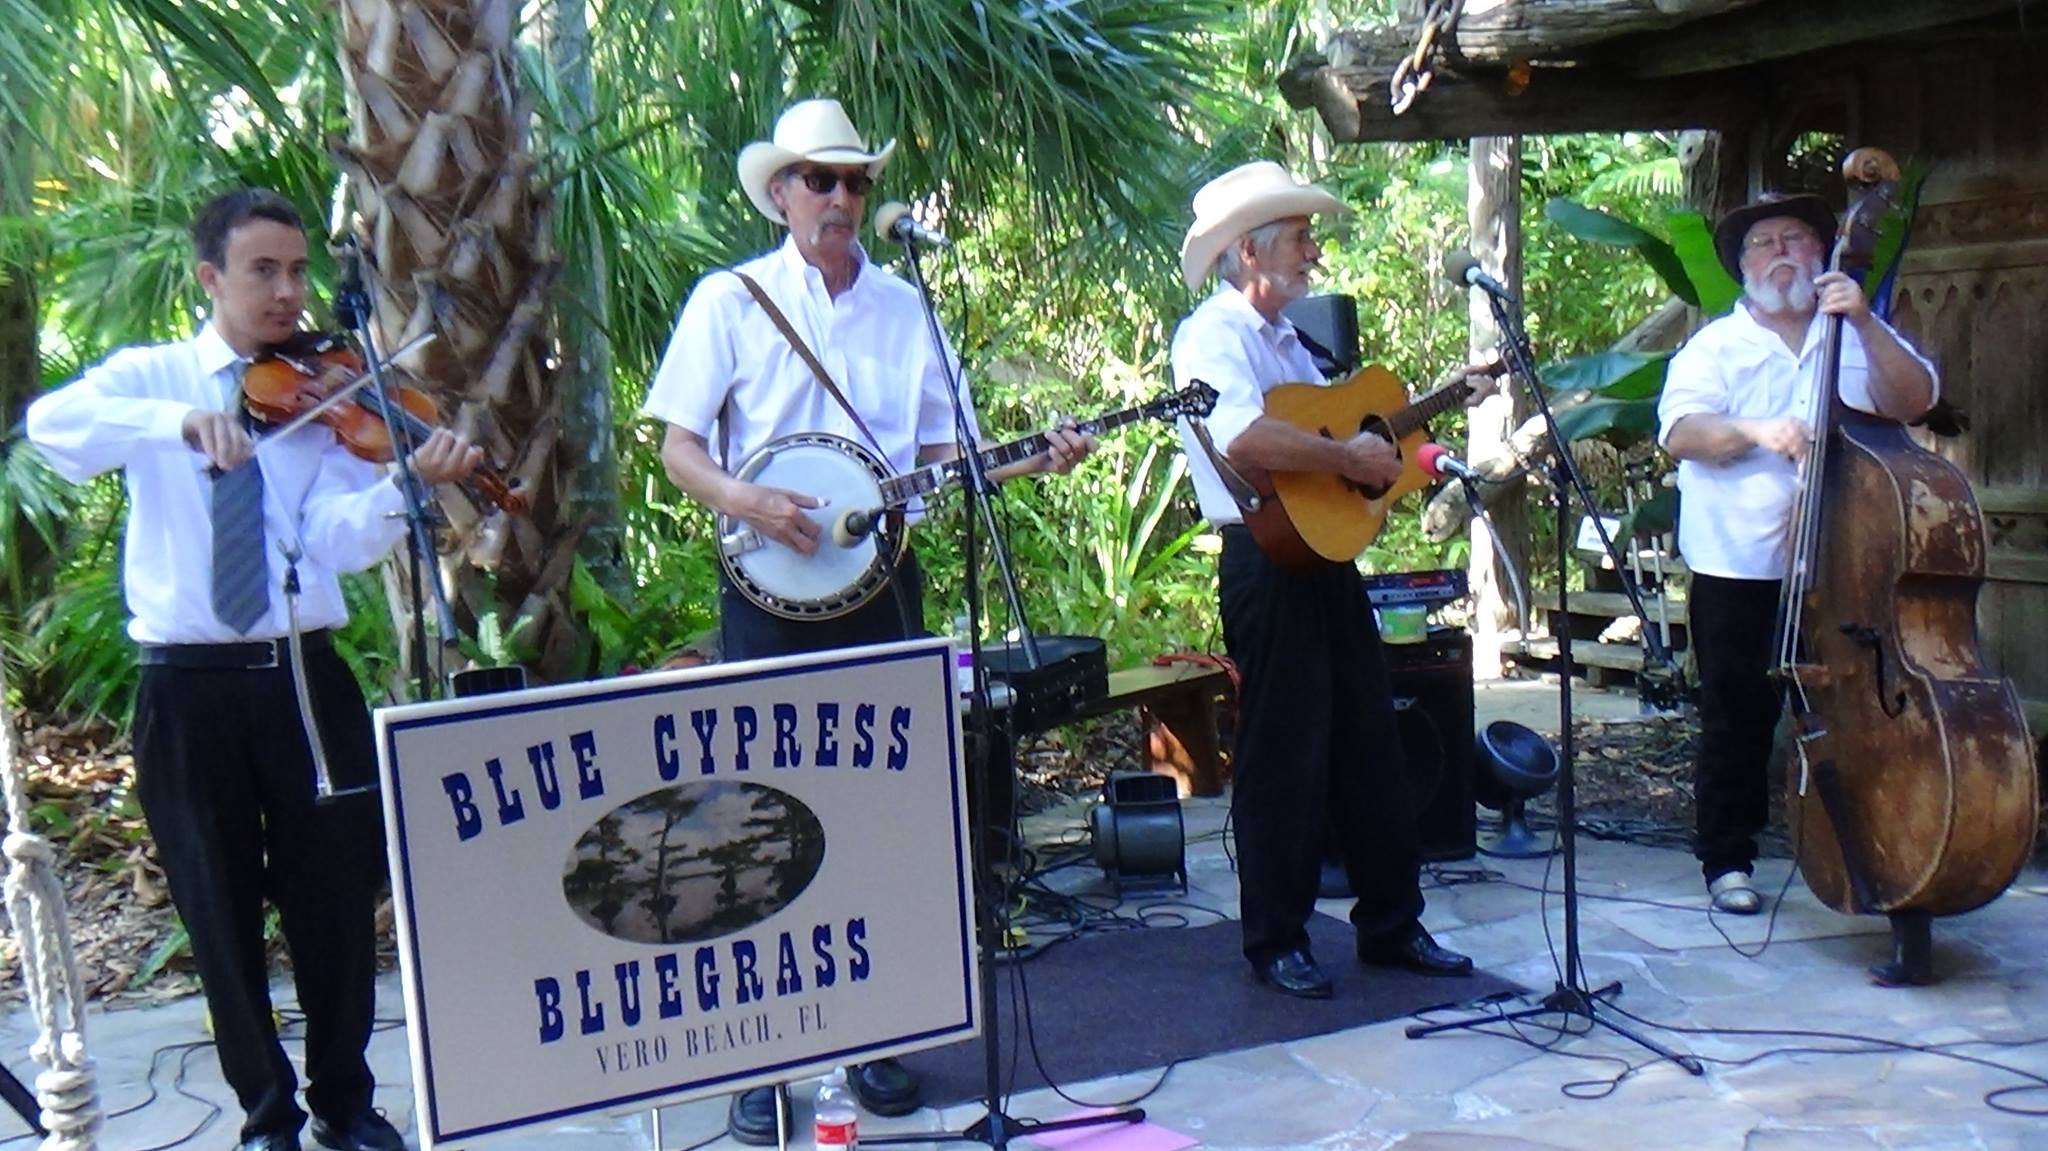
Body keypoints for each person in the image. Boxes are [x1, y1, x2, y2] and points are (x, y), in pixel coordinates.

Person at [641, 97, 1092, 1145]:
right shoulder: (731, 300)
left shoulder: (907, 308)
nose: (840, 197)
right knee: (760, 813)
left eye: (854, 181)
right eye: (819, 179)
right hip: (767, 596)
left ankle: (873, 1033)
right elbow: (677, 446)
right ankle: (761, 1057)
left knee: (879, 810)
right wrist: (750, 503)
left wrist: (1029, 456)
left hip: (882, 586)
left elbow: (943, 461)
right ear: (781, 192)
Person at [25, 188, 484, 1151]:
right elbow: (54, 430)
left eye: (297, 270)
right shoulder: (153, 376)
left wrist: (406, 487)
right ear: (210, 279)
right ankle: (267, 1116)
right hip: (185, 687)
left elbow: (332, 540)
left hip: (303, 677)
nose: (287, 291)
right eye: (262, 271)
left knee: (334, 900)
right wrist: (182, 425)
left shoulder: (324, 393)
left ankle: (346, 1106)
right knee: (218, 907)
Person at [1169, 160, 1476, 1000]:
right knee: (1284, 750)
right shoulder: (1212, 334)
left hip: (1324, 558)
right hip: (1265, 559)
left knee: (1369, 736)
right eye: (1299, 236)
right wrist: (1346, 454)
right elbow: (1243, 438)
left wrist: (1385, 462)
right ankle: (1275, 938)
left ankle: (1391, 922)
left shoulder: (1294, 341)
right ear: (1247, 253)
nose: (1313, 251)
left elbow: (1349, 460)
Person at [1656, 193, 1937, 915]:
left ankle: (1867, 844)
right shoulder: (1715, 348)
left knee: (1856, 710)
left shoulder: (1849, 333)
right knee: (1737, 713)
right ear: (1744, 266)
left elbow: (1915, 399)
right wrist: (1756, 431)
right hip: (1740, 565)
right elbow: (1683, 434)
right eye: (1763, 244)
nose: (1780, 252)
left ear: (1822, 256)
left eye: (1797, 239)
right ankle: (1729, 859)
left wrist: (1865, 320)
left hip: (1846, 561)